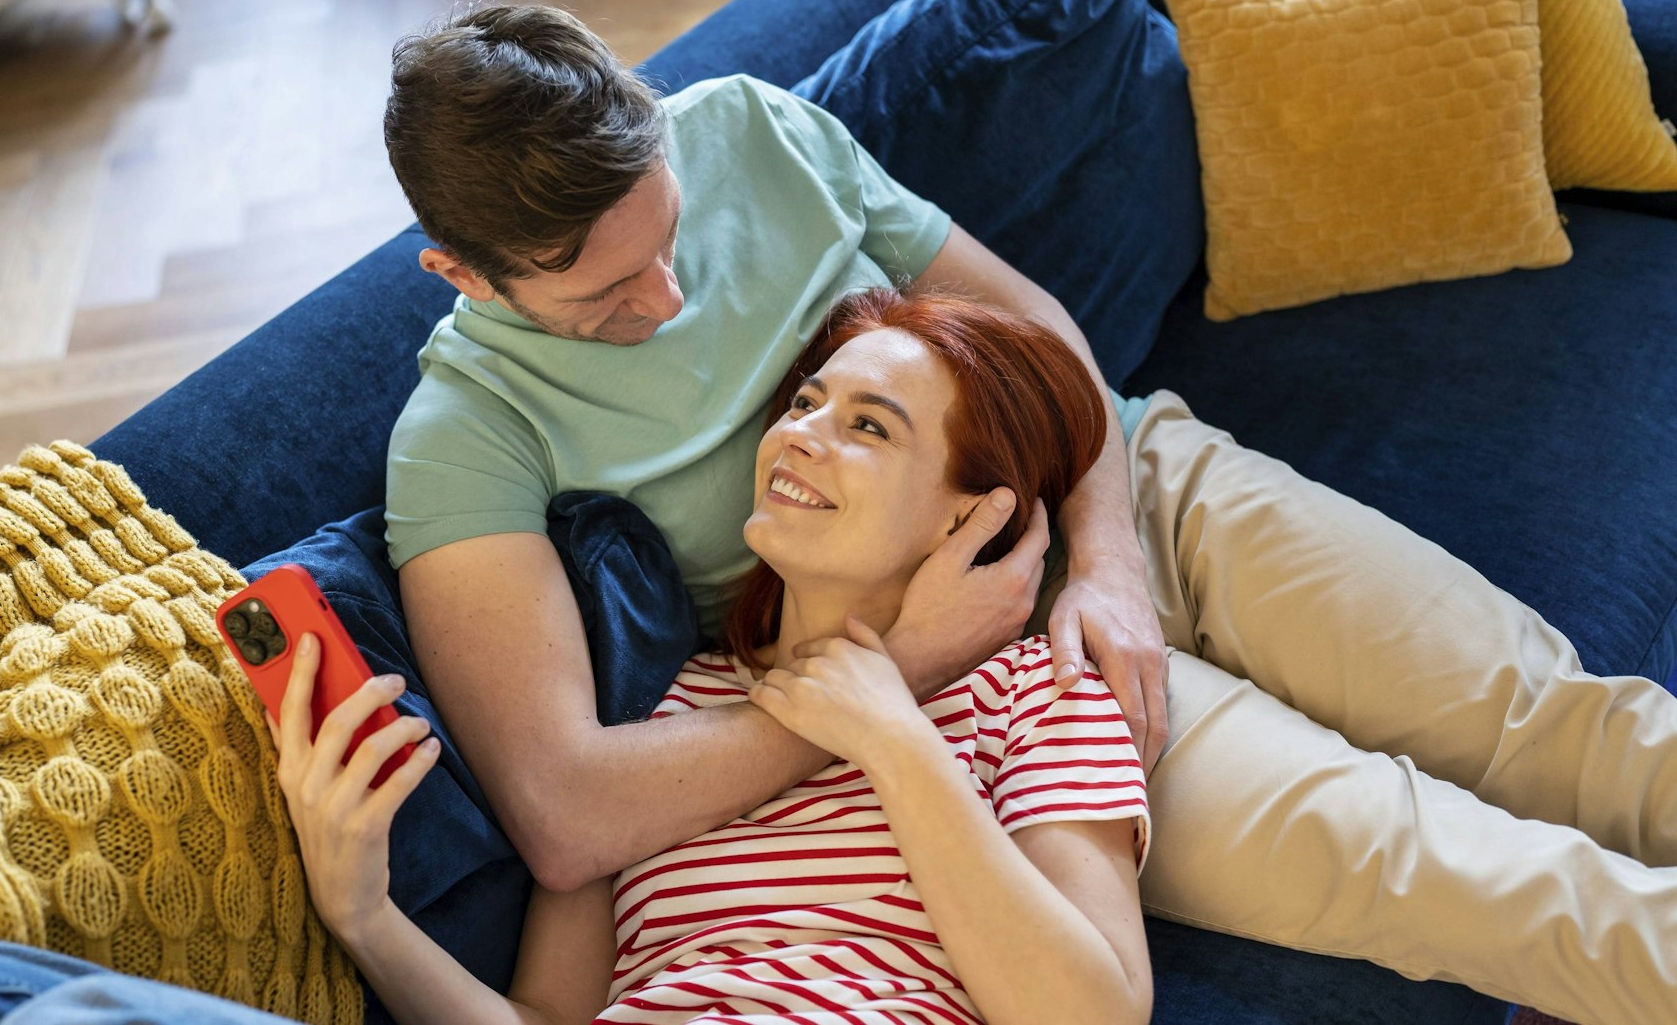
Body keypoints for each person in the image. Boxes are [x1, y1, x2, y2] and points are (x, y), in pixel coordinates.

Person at [373, 3, 1677, 1024]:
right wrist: (909, 667)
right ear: (459, 273)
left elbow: (1031, 326)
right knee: (1452, 873)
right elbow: (567, 812)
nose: (663, 295)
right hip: (981, 707)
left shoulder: (745, 129)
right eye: (604, 298)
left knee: (1555, 720)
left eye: (664, 235)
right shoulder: (463, 439)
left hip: (1119, 476)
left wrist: (1108, 557)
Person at [272, 288, 1154, 1024]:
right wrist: (364, 916)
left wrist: (894, 736)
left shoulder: (1035, 691)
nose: (800, 435)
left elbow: (1096, 1012)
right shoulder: (658, 714)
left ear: (968, 517)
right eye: (807, 404)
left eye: (870, 428)